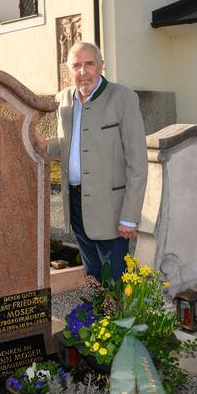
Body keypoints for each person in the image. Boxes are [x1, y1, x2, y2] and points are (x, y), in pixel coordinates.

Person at [47, 42, 148, 282]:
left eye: (89, 64)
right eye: (76, 66)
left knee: (115, 280)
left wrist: (129, 216)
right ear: (69, 70)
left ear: (101, 65)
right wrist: (36, 144)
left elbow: (138, 163)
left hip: (111, 209)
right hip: (76, 202)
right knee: (92, 279)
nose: (83, 72)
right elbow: (66, 144)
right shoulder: (62, 100)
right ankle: (98, 319)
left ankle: (117, 318)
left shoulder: (123, 98)